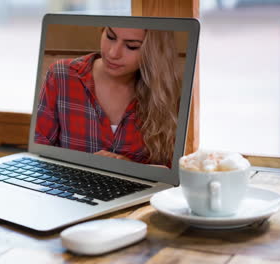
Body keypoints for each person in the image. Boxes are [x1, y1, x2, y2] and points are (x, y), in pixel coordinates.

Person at [35, 27, 181, 167]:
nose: (113, 53)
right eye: (110, 37)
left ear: (154, 51)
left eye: (132, 46)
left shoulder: (165, 93)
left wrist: (132, 169)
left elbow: (170, 170)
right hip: (66, 188)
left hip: (140, 191)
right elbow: (39, 150)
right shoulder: (61, 75)